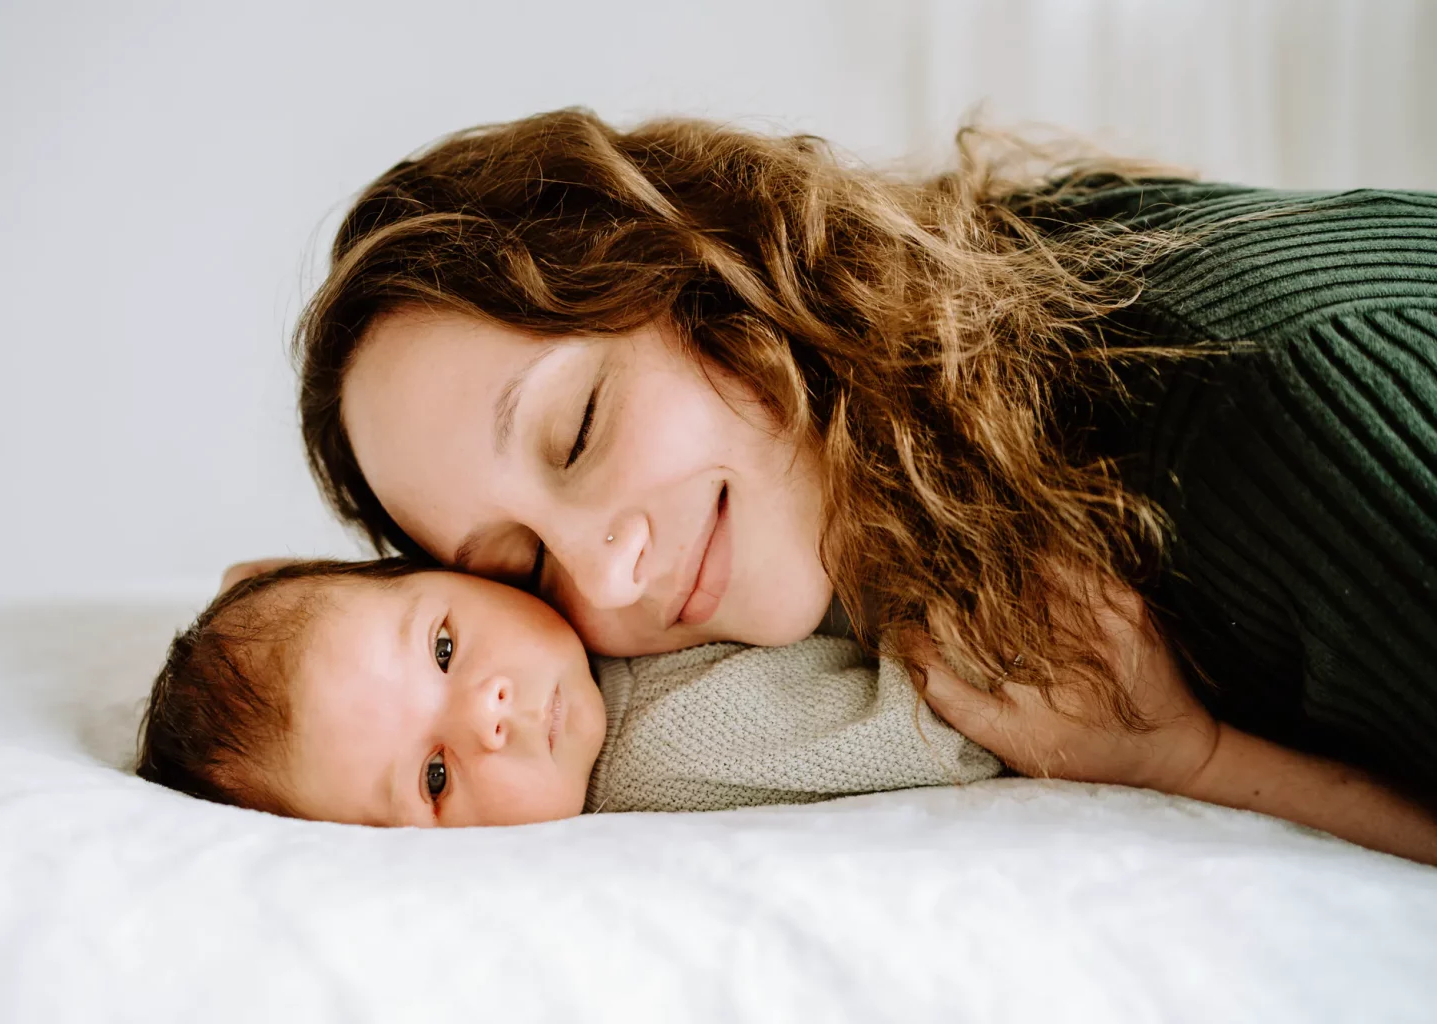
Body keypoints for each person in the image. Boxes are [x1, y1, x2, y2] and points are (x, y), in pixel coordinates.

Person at [254, 108, 1437, 857]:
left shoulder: (1255, 411)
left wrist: (1196, 764)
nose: (607, 575)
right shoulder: (969, 334)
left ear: (707, 271)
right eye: (522, 565)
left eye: (577, 434)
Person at [135, 559, 1001, 827]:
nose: (488, 711)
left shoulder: (600, 578)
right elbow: (948, 730)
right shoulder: (677, 748)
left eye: (444, 646)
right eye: (435, 778)